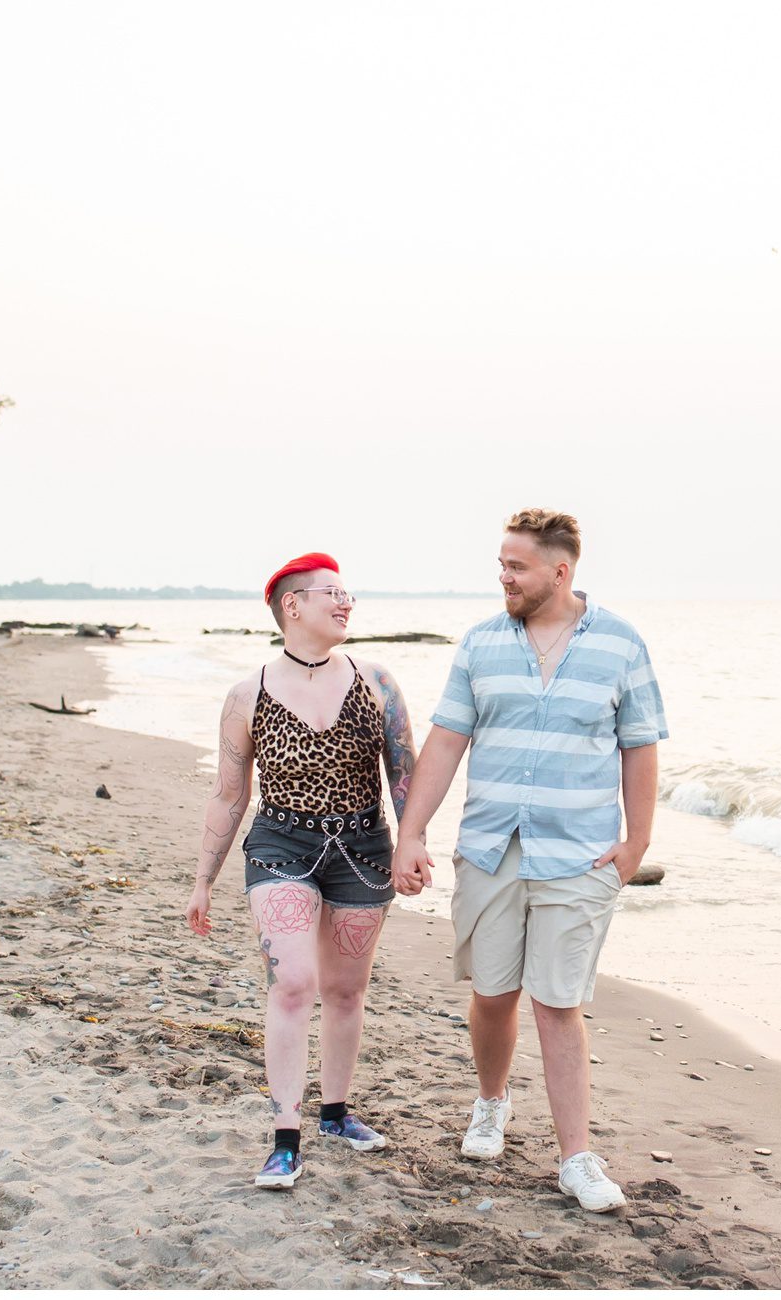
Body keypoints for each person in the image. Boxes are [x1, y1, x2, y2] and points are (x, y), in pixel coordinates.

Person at [392, 509, 667, 1213]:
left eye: (516, 567)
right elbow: (447, 742)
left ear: (560, 571)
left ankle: (577, 1158)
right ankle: (491, 1104)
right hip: (491, 846)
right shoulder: (482, 644)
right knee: (492, 994)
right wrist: (412, 833)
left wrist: (637, 844)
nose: (504, 578)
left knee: (558, 1004)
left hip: (579, 855)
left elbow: (640, 746)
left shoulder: (620, 643)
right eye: (502, 565)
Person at [185, 552, 421, 1189]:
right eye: (332, 594)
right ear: (293, 606)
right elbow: (230, 793)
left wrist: (411, 842)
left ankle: (336, 1113)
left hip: (363, 847)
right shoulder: (248, 695)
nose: (346, 604)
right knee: (292, 982)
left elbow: (404, 773)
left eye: (349, 595)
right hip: (280, 846)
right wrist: (204, 879)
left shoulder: (377, 681)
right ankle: (285, 1135)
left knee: (345, 989)